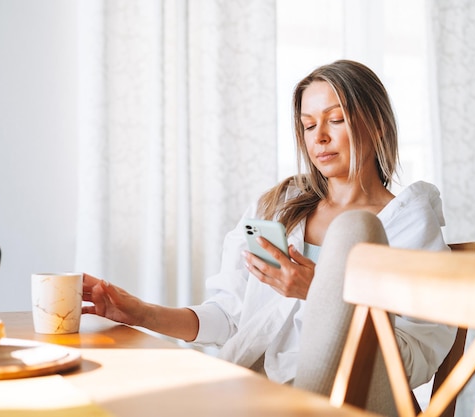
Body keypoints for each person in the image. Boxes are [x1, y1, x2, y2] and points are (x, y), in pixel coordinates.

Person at [82, 59, 455, 415]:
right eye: (308, 126)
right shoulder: (276, 209)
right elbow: (229, 318)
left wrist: (321, 292)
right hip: (264, 393)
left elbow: (412, 361)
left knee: (354, 229)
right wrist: (141, 312)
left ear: (378, 126)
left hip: (359, 397)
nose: (320, 138)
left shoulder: (409, 223)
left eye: (336, 120)